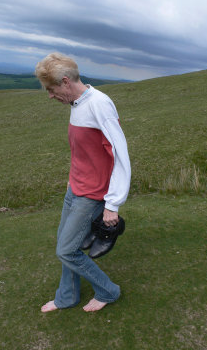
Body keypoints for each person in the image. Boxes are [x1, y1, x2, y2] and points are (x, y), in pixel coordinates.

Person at [35, 53, 131, 312]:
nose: (51, 96)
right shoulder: (77, 104)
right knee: (64, 244)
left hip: (92, 194)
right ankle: (67, 296)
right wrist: (70, 180)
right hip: (75, 188)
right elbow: (83, 151)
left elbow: (120, 154)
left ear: (66, 82)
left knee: (67, 251)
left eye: (52, 90)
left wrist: (112, 204)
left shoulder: (100, 105)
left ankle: (108, 291)